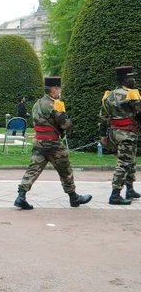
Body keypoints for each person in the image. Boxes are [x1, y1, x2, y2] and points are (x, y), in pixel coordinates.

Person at [14, 76, 92, 210]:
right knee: (65, 169)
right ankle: (73, 197)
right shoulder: (56, 104)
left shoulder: (37, 104)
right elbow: (66, 124)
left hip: (39, 141)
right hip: (53, 142)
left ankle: (21, 196)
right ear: (54, 90)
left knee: (33, 169)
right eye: (58, 89)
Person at [99, 66, 141, 205]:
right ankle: (115, 194)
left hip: (114, 132)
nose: (134, 80)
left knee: (130, 159)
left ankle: (130, 189)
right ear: (125, 79)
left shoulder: (108, 95)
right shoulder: (131, 94)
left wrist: (103, 136)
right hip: (127, 133)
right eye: (131, 77)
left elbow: (103, 118)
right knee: (124, 162)